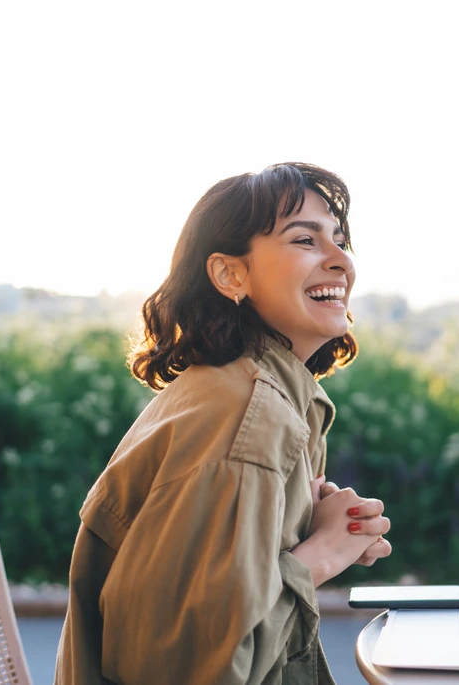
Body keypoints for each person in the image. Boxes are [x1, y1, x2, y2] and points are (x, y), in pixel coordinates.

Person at [54, 163, 391, 685]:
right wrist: (320, 557)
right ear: (231, 274)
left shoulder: (248, 392)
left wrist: (311, 525)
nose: (340, 260)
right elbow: (188, 671)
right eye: (306, 239)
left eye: (340, 240)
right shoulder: (245, 420)